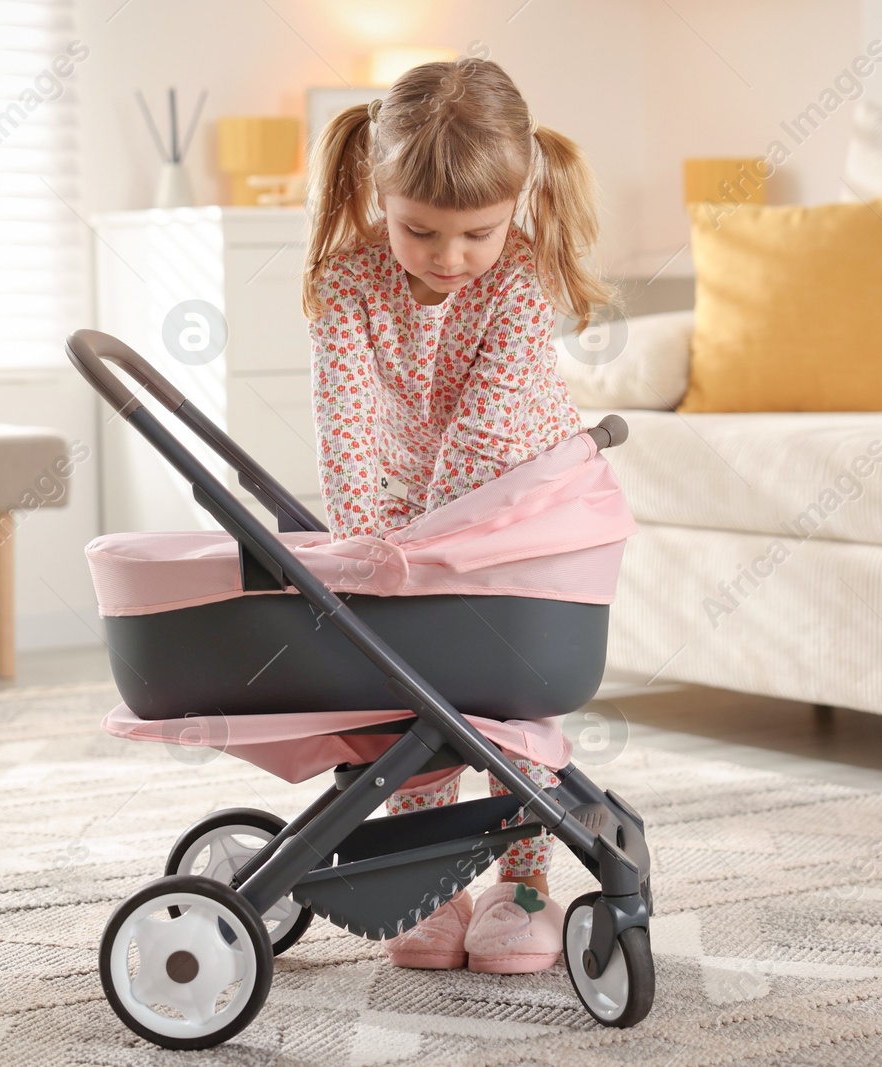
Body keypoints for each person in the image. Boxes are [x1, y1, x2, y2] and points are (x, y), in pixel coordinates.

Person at [301, 57, 616, 974]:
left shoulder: (518, 284)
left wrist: (418, 548)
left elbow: (481, 438)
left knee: (504, 707)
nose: (449, 257)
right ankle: (430, 877)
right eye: (420, 231)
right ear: (378, 193)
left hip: (520, 525)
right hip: (404, 532)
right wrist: (364, 555)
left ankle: (523, 884)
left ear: (517, 199)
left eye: (477, 231)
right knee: (414, 703)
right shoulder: (348, 286)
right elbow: (346, 425)